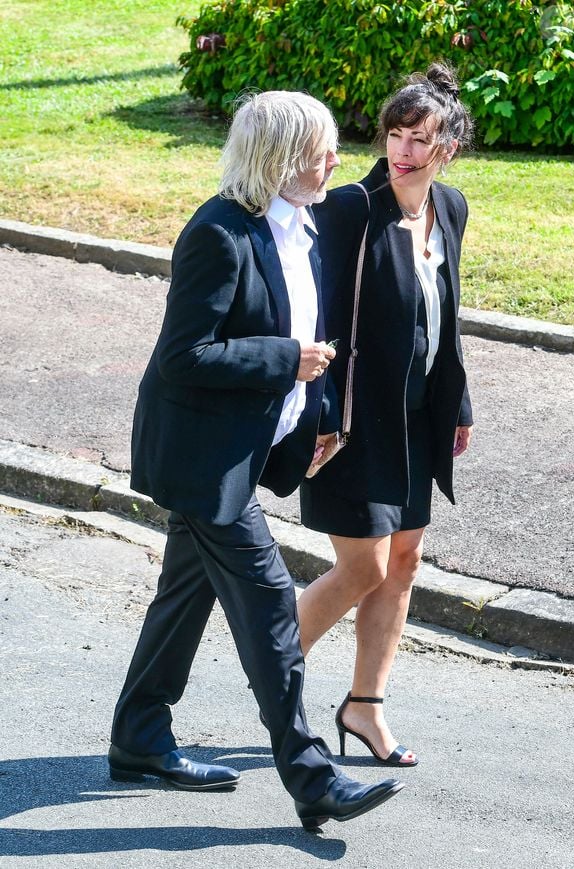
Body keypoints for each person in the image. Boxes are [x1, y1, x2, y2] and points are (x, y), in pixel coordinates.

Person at [108, 90, 404, 830]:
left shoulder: (304, 226)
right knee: (273, 603)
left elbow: (316, 332)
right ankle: (311, 775)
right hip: (200, 461)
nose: (336, 159)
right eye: (321, 148)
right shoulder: (217, 232)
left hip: (237, 452)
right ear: (277, 158)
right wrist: (284, 360)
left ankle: (139, 736)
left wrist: (322, 414)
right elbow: (186, 355)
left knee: (182, 597)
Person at [298, 64, 474, 768]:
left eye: (419, 138)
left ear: (448, 147)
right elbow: (319, 310)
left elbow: (447, 314)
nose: (403, 150)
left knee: (404, 559)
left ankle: (364, 706)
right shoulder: (351, 209)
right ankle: (274, 662)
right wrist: (313, 408)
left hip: (418, 416)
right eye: (396, 135)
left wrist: (457, 400)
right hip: (352, 416)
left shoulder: (450, 208)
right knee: (364, 563)